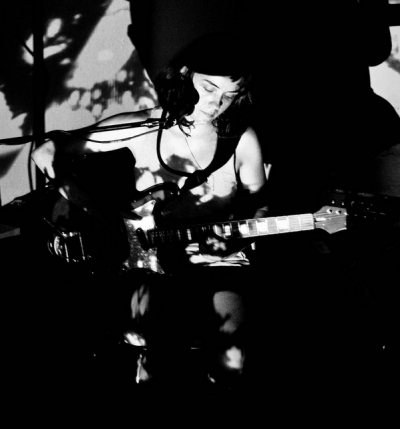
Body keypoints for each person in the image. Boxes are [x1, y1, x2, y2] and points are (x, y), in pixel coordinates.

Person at [31, 31, 269, 400]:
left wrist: (236, 239)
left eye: (229, 95)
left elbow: (260, 205)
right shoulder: (143, 126)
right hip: (150, 263)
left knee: (233, 356)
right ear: (185, 74)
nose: (216, 103)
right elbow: (47, 151)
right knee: (162, 351)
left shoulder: (242, 139)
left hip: (215, 261)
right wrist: (87, 205)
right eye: (209, 88)